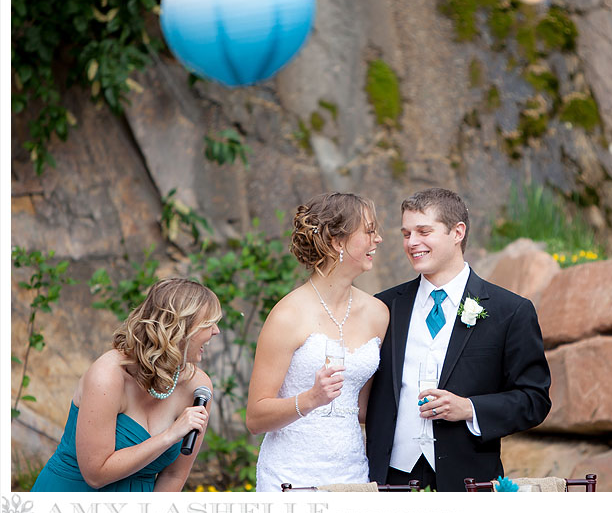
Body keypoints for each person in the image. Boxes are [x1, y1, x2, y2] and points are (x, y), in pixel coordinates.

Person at [365, 187, 552, 491]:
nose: (412, 243)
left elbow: (534, 400)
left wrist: (470, 408)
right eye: (406, 233)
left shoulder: (510, 310)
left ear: (457, 232)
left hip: (467, 481)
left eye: (424, 231)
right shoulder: (384, 307)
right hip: (390, 480)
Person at [247, 192, 389, 491]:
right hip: (290, 476)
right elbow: (256, 418)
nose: (378, 239)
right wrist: (311, 399)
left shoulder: (377, 314)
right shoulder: (288, 315)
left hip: (351, 473)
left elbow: (364, 409)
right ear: (338, 242)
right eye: (369, 230)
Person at [31, 278, 221, 491]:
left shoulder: (199, 387)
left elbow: (174, 474)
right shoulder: (108, 376)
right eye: (208, 324)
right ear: (180, 326)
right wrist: (169, 436)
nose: (216, 331)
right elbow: (96, 474)